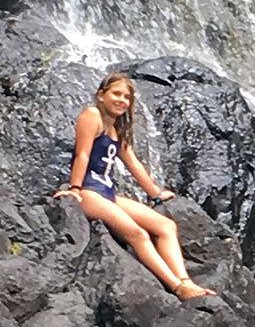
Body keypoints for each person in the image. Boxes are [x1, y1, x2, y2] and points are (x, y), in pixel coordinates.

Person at [53, 72, 215, 299]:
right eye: (116, 94)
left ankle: (185, 280)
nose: (122, 100)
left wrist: (156, 194)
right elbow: (82, 154)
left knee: (166, 226)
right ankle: (177, 288)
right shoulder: (92, 115)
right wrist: (75, 189)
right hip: (88, 191)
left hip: (107, 193)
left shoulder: (117, 128)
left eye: (126, 97)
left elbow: (133, 164)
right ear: (101, 95)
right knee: (137, 234)